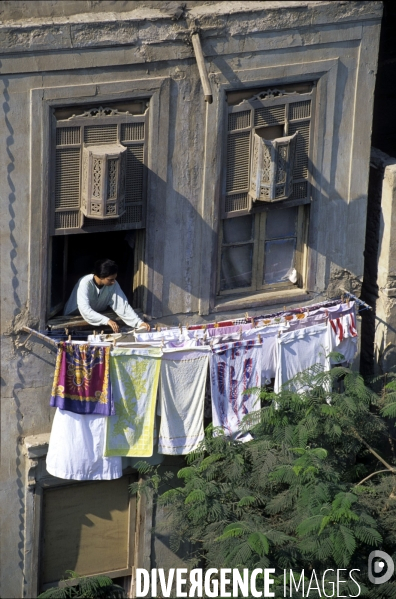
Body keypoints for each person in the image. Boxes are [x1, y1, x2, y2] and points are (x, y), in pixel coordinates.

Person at [64, 258, 150, 333]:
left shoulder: (113, 284)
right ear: (101, 276)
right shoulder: (85, 282)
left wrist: (139, 323)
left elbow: (123, 306)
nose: (113, 282)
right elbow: (85, 309)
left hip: (97, 316)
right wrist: (107, 320)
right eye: (110, 279)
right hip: (73, 316)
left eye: (114, 278)